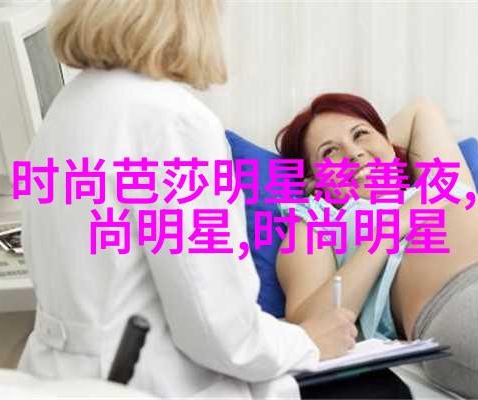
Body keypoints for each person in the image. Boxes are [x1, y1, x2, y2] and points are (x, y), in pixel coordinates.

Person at [18, 1, 358, 398]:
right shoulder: (172, 121)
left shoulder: (69, 107)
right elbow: (219, 327)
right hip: (144, 382)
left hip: (62, 380)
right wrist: (307, 341)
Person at [275, 93, 478, 398]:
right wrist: (391, 229)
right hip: (477, 291)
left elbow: (420, 111)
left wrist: (380, 151)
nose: (353, 153)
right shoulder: (317, 221)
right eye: (330, 152)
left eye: (360, 134)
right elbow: (312, 323)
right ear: (311, 181)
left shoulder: (432, 181)